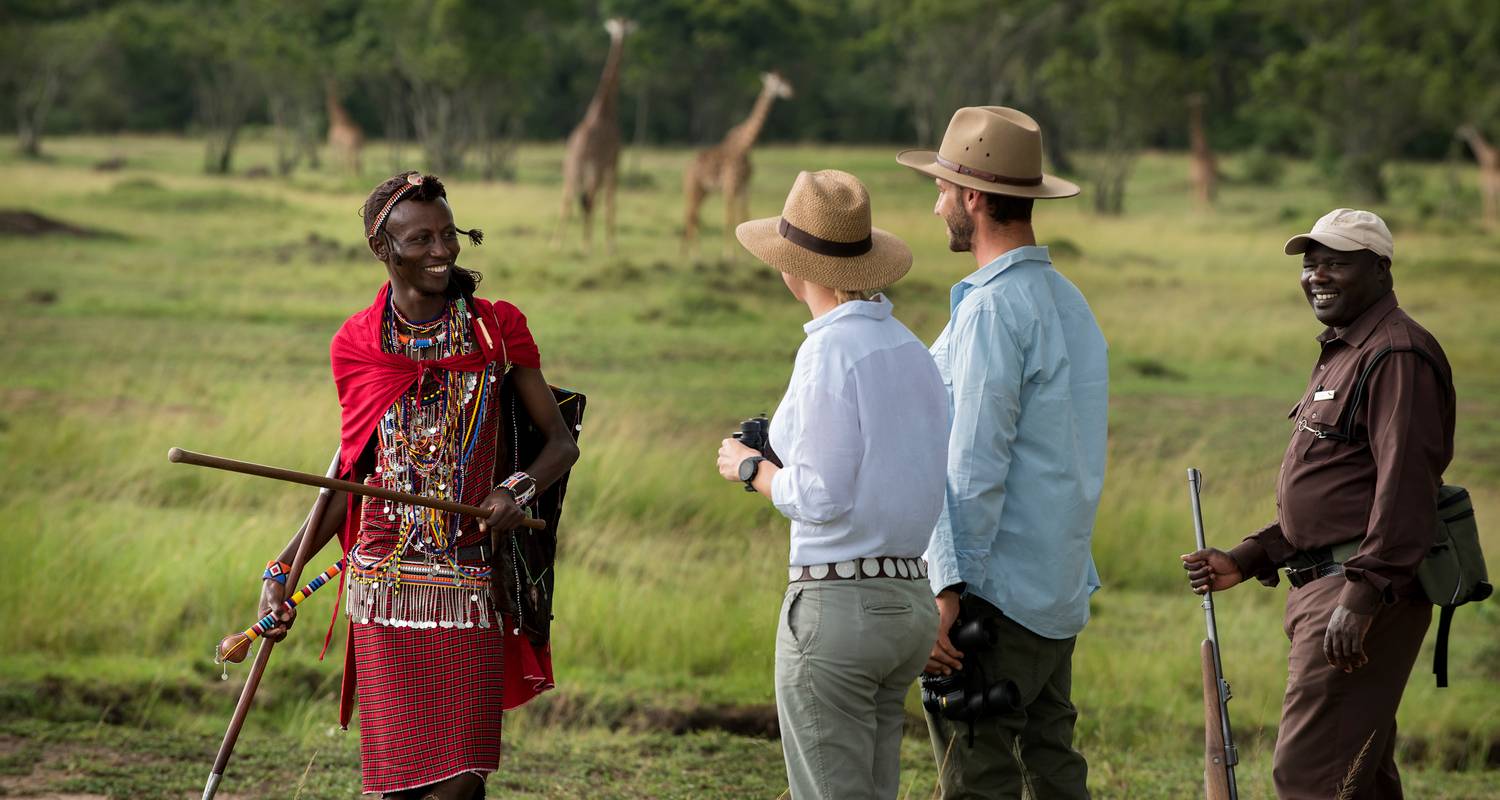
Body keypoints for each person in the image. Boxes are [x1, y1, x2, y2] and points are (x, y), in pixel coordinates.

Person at [254, 171, 580, 800]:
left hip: (468, 579)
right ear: (385, 250)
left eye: (449, 234)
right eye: (422, 238)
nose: (442, 250)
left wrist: (516, 490)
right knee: (401, 786)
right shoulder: (356, 344)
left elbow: (561, 444)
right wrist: (281, 571)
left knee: (461, 781)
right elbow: (348, 478)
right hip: (384, 590)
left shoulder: (495, 331)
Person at [1181, 208, 1454, 799]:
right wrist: (1252, 556)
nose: (1317, 276)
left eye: (1336, 263)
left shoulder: (1397, 355)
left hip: (1359, 593)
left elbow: (1406, 492)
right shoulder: (1346, 349)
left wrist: (1361, 595)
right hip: (1328, 586)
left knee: (1310, 777)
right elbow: (1342, 490)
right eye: (1310, 264)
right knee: (1360, 777)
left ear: (1380, 270)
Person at [714, 169, 949, 799]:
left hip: (840, 609)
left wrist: (751, 468)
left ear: (795, 268)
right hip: (909, 603)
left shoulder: (826, 352)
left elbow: (819, 496)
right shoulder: (913, 350)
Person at [896, 106, 1107, 800]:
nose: (936, 206)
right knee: (1053, 770)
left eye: (943, 190)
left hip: (999, 601)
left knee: (977, 776)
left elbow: (972, 467)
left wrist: (944, 593)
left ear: (974, 197)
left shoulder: (992, 309)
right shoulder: (1070, 301)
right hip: (1056, 589)